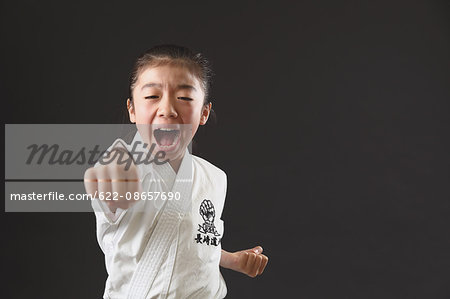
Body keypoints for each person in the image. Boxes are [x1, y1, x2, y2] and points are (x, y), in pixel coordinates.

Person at [84, 45, 268, 299]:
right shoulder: (123, 165)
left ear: (203, 112)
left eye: (184, 98)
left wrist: (231, 260)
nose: (168, 108)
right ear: (132, 110)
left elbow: (196, 240)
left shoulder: (214, 177)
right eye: (151, 97)